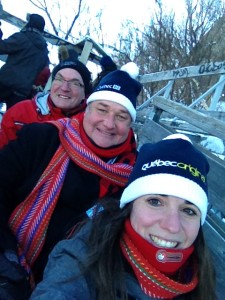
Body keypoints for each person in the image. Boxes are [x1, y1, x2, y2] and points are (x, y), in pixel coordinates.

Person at [0, 62, 142, 299]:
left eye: (121, 116)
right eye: (102, 109)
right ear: (87, 108)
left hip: (71, 282)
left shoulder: (131, 178)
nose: (108, 123)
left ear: (130, 124)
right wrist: (5, 255)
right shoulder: (42, 138)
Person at [31, 134, 217, 300]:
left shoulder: (211, 279)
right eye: (155, 202)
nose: (172, 226)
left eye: (189, 211)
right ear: (131, 205)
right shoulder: (83, 257)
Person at [0, 58, 92, 148]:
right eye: (59, 79)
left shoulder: (91, 125)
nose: (64, 88)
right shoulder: (22, 111)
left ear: (85, 93)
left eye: (75, 83)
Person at [0, 13, 49, 109]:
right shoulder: (44, 50)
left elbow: (2, 47)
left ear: (30, 23)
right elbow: (42, 70)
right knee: (11, 120)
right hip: (23, 90)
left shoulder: (22, 37)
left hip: (5, 82)